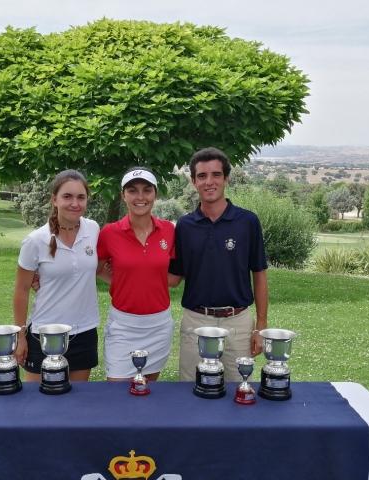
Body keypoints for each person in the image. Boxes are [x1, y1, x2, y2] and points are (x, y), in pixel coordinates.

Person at [168, 147, 269, 382]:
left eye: (216, 175)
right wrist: (131, 270)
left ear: (226, 178)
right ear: (193, 181)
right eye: (202, 176)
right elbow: (174, 277)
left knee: (239, 394)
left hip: (238, 322)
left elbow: (260, 274)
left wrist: (260, 327)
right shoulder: (184, 225)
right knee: (191, 394)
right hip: (196, 322)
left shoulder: (248, 222)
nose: (209, 182)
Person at [13, 169, 100, 381]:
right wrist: (20, 336)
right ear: (54, 200)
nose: (75, 203)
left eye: (81, 197)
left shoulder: (93, 230)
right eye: (67, 196)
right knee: (37, 405)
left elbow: (96, 268)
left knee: (77, 404)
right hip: (45, 333)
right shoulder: (35, 240)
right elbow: (21, 290)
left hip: (84, 333)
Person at [97, 168, 176, 381]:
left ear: (155, 194)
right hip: (123, 326)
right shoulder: (109, 233)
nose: (140, 197)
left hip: (159, 326)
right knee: (117, 390)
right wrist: (121, 282)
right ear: (123, 196)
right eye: (132, 191)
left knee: (147, 391)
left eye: (146, 190)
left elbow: (175, 276)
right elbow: (97, 267)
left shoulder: (169, 230)